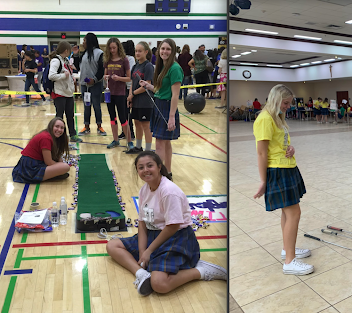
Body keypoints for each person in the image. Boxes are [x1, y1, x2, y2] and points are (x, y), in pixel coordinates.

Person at [106, 151, 227, 296]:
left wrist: (149, 251)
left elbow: (173, 226)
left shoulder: (169, 192)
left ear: (159, 167)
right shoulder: (145, 189)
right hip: (153, 233)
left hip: (176, 238)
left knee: (159, 284)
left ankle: (200, 271)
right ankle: (141, 274)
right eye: (141, 167)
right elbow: (142, 223)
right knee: (112, 245)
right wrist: (142, 251)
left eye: (149, 166)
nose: (145, 170)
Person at [253, 84, 313, 275]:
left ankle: (288, 250)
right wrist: (263, 181)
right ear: (276, 100)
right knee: (294, 213)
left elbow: (279, 143)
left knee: (288, 214)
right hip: (278, 171)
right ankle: (289, 261)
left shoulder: (276, 118)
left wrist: (291, 148)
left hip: (287, 167)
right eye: (286, 103)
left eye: (289, 103)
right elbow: (262, 153)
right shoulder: (264, 119)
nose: (288, 106)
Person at [139, 39, 183, 181]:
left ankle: (160, 176)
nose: (165, 51)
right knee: (165, 142)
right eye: (163, 48)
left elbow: (175, 95)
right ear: (158, 51)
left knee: (159, 143)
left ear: (173, 51)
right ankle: (167, 173)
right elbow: (161, 90)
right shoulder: (163, 66)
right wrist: (148, 86)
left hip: (167, 107)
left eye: (168, 49)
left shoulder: (175, 68)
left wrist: (171, 117)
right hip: (159, 104)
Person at [12, 117, 71, 183]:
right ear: (51, 126)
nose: (59, 130)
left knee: (63, 166)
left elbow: (56, 156)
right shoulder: (46, 138)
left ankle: (50, 175)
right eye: (57, 126)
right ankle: (46, 176)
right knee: (65, 167)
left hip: (35, 163)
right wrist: (60, 166)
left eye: (62, 128)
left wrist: (60, 164)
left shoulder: (52, 136)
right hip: (30, 167)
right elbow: (49, 162)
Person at [49, 41, 82, 143]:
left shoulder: (65, 60)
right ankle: (56, 136)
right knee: (59, 116)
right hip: (59, 93)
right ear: (66, 50)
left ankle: (72, 135)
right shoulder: (56, 61)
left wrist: (71, 78)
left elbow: (68, 72)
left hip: (68, 93)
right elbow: (51, 76)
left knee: (70, 115)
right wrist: (64, 76)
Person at [103, 37, 132, 150]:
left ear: (118, 47)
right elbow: (105, 75)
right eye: (110, 48)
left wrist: (119, 78)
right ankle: (115, 140)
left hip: (120, 93)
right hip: (109, 93)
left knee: (123, 118)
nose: (112, 50)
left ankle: (129, 141)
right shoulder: (107, 60)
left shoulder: (124, 60)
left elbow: (129, 78)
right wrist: (106, 77)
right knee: (112, 117)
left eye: (114, 48)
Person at [127, 41, 155, 154]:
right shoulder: (135, 66)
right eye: (136, 51)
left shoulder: (148, 66)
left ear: (146, 52)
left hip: (145, 102)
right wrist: (130, 96)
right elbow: (132, 83)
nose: (137, 53)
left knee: (146, 125)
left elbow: (146, 86)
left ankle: (148, 150)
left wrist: (133, 94)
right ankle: (138, 147)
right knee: (137, 123)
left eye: (140, 51)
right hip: (136, 101)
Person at [78, 32, 106, 136]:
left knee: (96, 106)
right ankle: (86, 126)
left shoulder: (100, 53)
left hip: (95, 85)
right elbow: (78, 67)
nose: (83, 43)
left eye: (84, 40)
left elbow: (101, 70)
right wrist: (76, 55)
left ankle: (99, 126)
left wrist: (94, 80)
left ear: (89, 41)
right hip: (84, 86)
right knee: (86, 106)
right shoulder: (84, 54)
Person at [119, 41, 136, 141]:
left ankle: (131, 133)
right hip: (123, 88)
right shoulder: (124, 59)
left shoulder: (130, 59)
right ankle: (124, 131)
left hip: (129, 88)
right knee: (123, 112)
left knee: (127, 112)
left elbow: (130, 76)